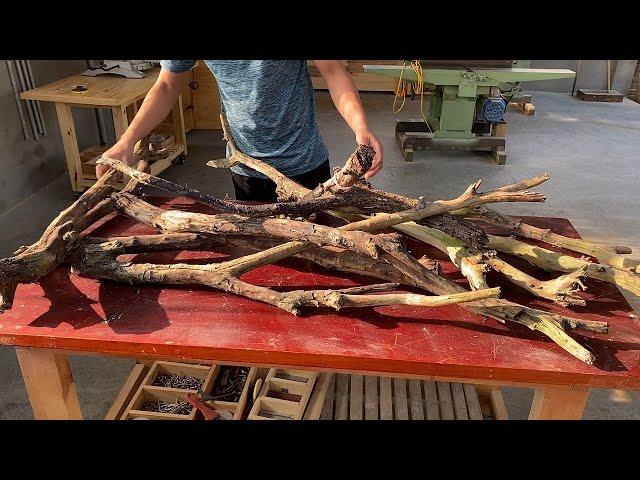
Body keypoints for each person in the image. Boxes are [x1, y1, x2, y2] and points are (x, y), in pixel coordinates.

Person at [97, 60, 383, 201]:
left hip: (304, 163)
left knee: (316, 258)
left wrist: (361, 127)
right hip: (246, 169)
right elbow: (167, 85)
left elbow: (332, 71)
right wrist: (126, 142)